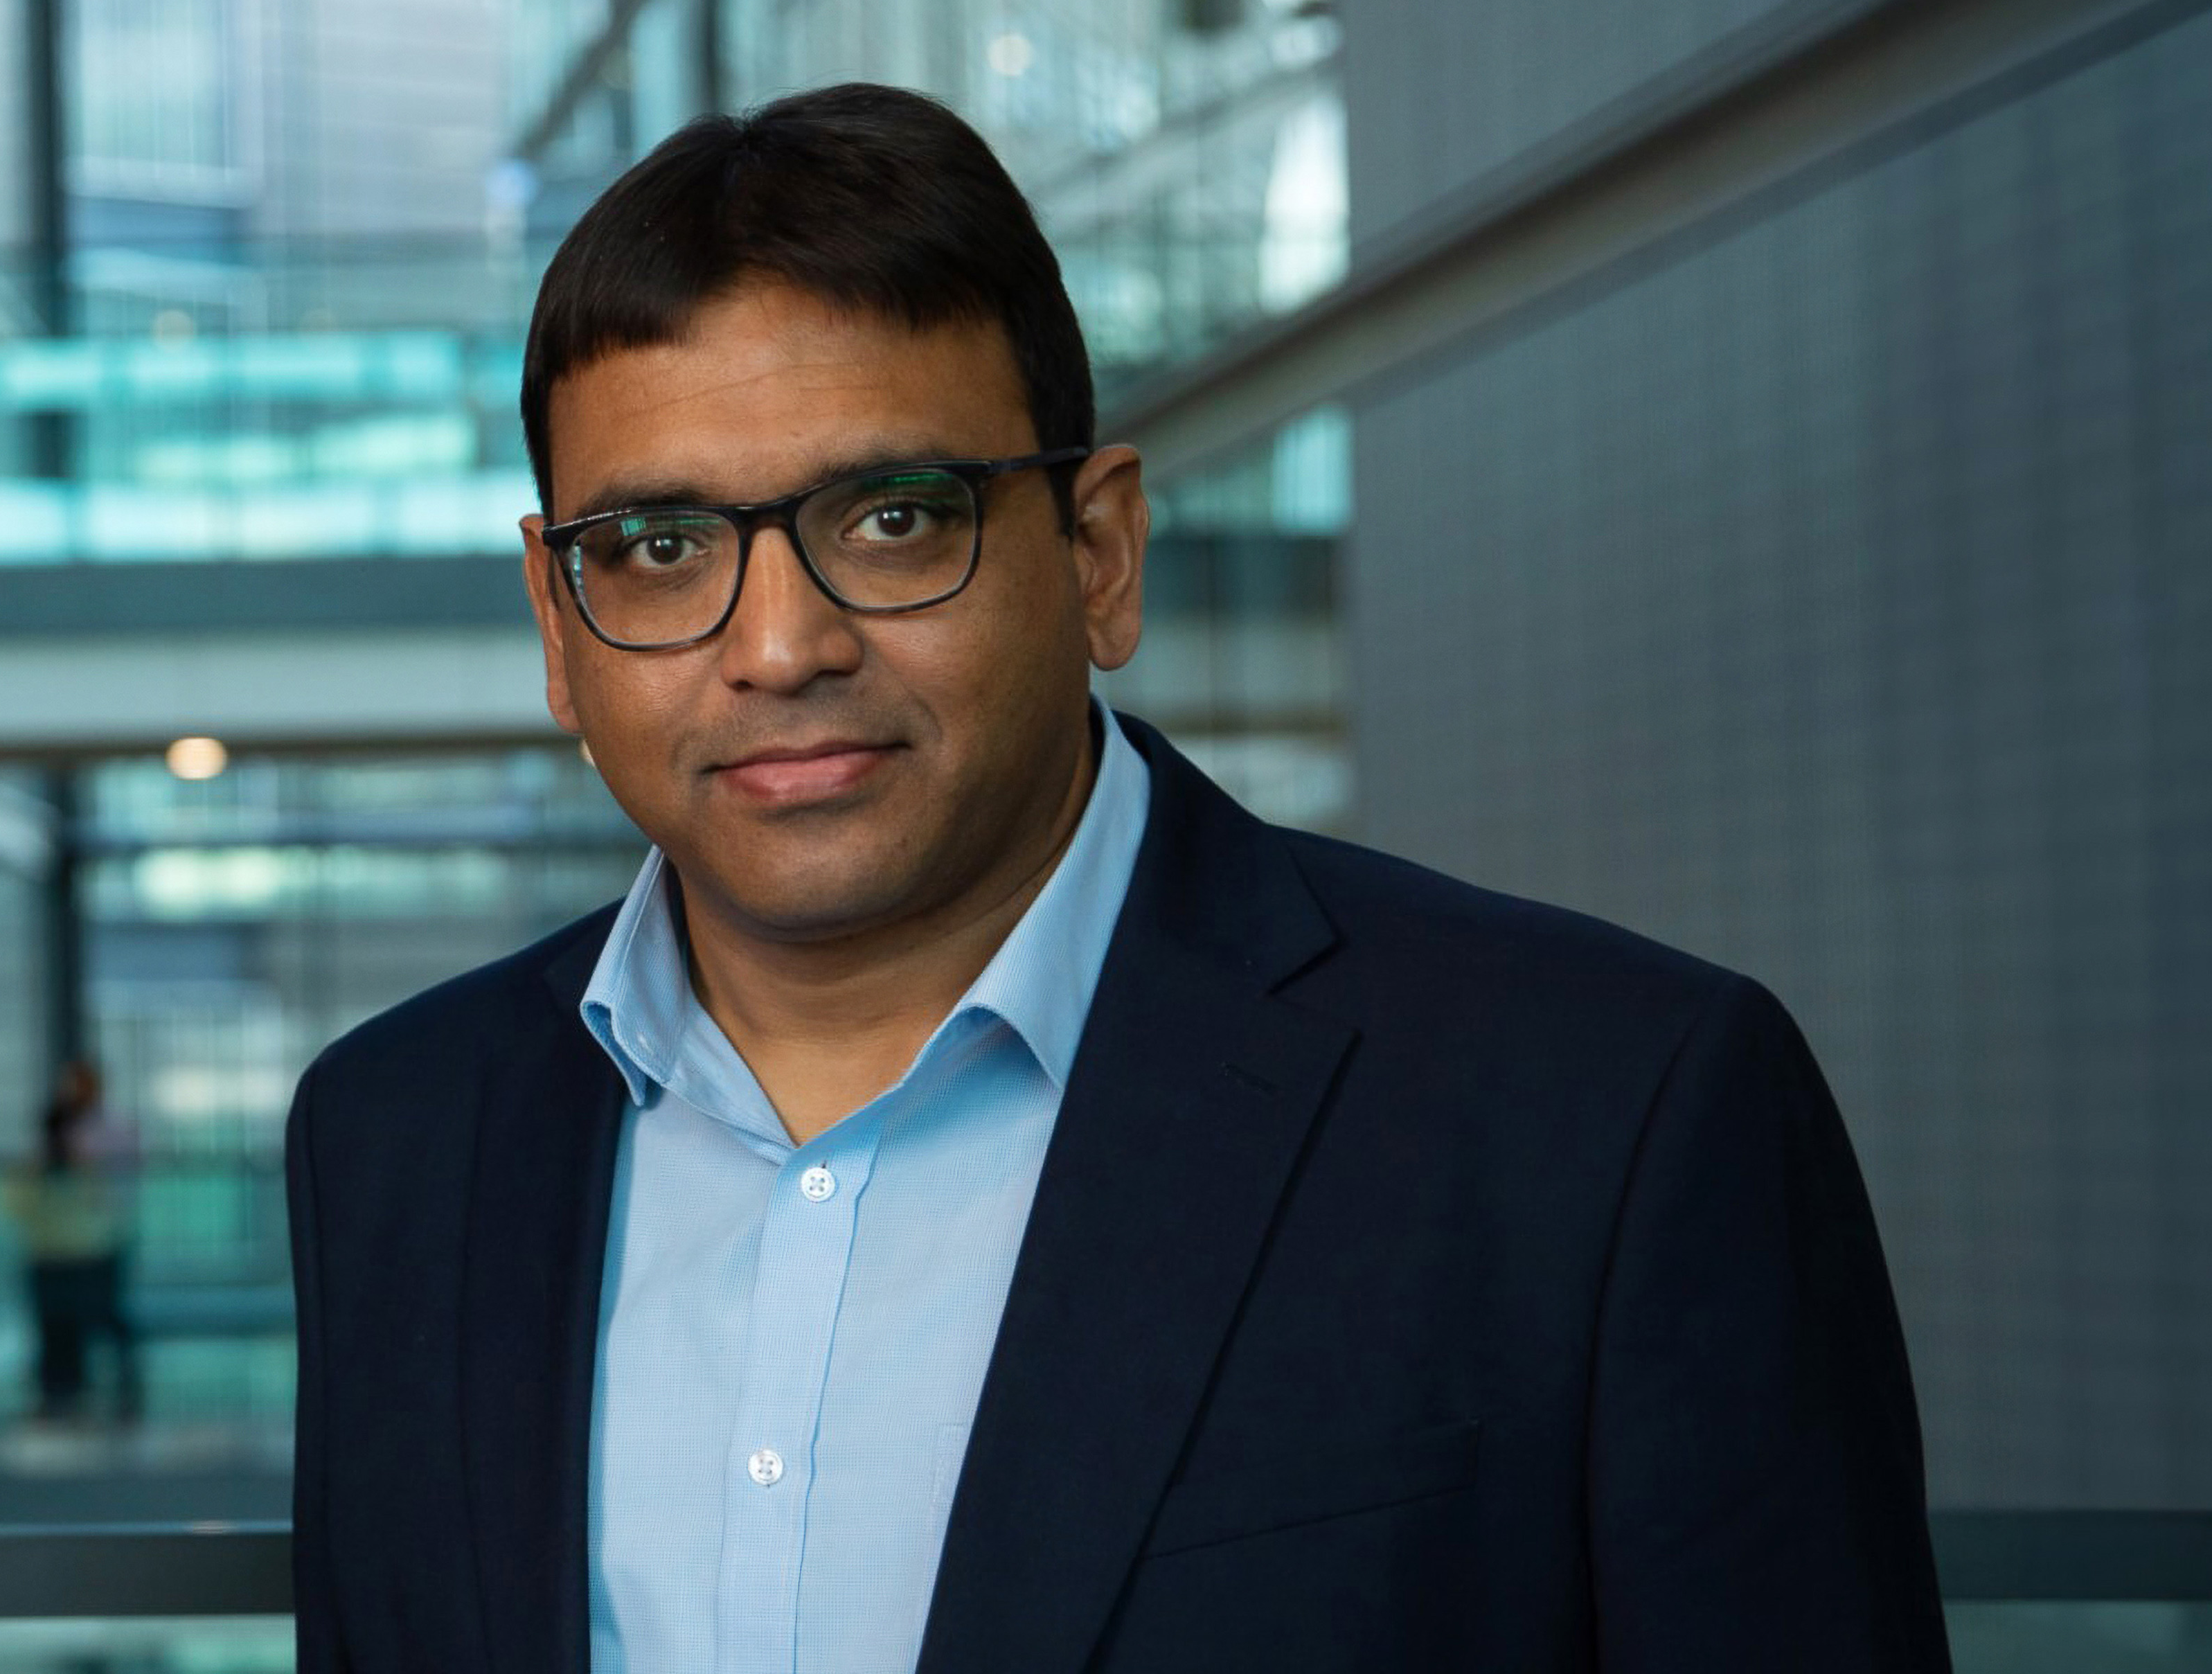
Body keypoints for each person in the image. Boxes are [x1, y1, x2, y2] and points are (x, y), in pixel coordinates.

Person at [286, 83, 1950, 1672]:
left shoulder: (1604, 1113)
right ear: (556, 630)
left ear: (1096, 554)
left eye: (890, 518)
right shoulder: (399, 1141)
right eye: (656, 549)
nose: (778, 647)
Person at [3, 1061, 143, 1422]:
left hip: (90, 1251)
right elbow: (16, 1204)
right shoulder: (41, 1158)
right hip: (55, 1252)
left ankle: (119, 1388)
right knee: (56, 1328)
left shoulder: (107, 1136)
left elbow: (117, 1196)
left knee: (101, 1320)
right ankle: (62, 1394)